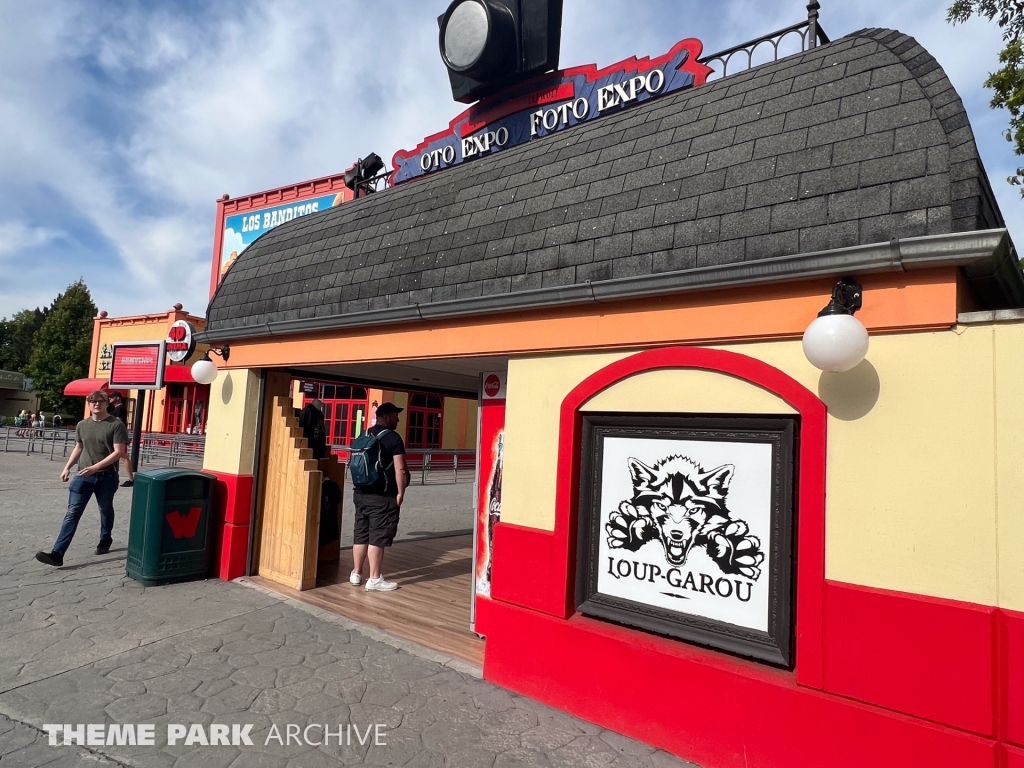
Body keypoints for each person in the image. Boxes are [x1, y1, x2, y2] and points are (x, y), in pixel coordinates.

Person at [35, 390, 129, 567]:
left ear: (106, 403)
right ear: (89, 404)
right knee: (72, 513)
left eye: (100, 401)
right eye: (92, 401)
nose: (96, 404)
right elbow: (79, 447)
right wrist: (67, 467)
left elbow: (119, 452)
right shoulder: (82, 425)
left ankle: (105, 538)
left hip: (106, 477)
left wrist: (95, 467)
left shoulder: (116, 425)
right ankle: (57, 554)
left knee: (105, 509)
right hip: (83, 477)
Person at [350, 402, 409, 591]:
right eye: (395, 415)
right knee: (377, 536)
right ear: (386, 417)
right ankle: (374, 579)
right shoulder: (393, 439)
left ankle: (356, 573)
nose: (398, 419)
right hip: (382, 496)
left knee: (361, 533)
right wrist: (401, 492)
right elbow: (400, 468)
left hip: (360, 494)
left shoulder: (364, 435)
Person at [107, 392, 135, 487]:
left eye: (111, 397)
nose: (109, 398)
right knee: (115, 456)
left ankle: (131, 479)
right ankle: (112, 475)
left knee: (123, 457)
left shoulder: (120, 409)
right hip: (116, 435)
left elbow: (117, 422)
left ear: (118, 398)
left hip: (119, 436)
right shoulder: (117, 409)